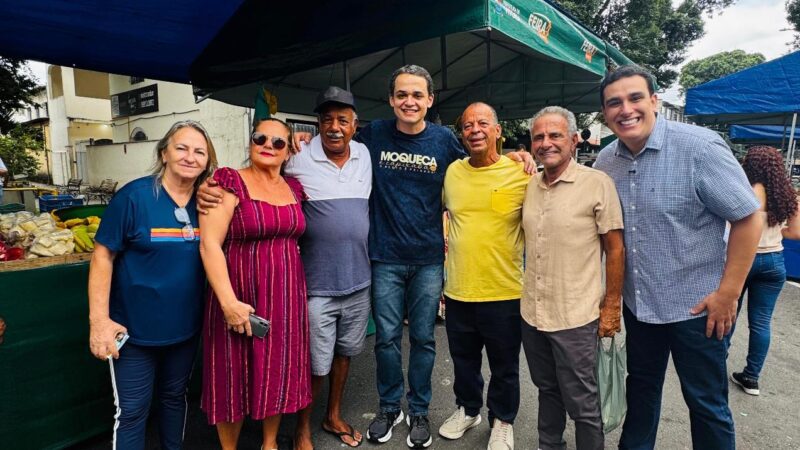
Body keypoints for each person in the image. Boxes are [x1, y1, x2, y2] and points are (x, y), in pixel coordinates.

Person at [593, 65, 762, 449]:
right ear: (606, 113)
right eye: (614, 103)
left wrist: (729, 293)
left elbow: (748, 218)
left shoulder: (699, 148)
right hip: (640, 307)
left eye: (635, 98)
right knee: (641, 394)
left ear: (654, 100)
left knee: (706, 403)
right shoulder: (606, 162)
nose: (626, 109)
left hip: (698, 309)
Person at [88, 120, 217, 450]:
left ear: (208, 160)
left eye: (199, 151)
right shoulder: (134, 197)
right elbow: (102, 256)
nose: (190, 157)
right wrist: (99, 321)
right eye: (182, 148)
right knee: (132, 411)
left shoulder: (207, 204)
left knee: (175, 398)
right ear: (164, 154)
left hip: (184, 330)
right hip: (133, 333)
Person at [199, 118, 311, 450]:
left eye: (279, 142)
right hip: (238, 295)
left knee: (277, 368)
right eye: (260, 137)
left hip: (286, 295)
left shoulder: (294, 187)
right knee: (232, 374)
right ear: (250, 141)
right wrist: (228, 303)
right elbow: (209, 245)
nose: (268, 145)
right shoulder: (229, 182)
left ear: (289, 150)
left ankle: (270, 442)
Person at [521, 106, 624, 450]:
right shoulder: (531, 184)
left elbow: (616, 248)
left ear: (575, 140)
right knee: (547, 389)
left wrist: (612, 305)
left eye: (555, 135)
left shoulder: (597, 184)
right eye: (539, 137)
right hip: (533, 314)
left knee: (583, 403)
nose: (546, 143)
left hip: (575, 317)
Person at [438, 102, 530, 450]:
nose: (474, 130)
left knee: (505, 364)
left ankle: (503, 420)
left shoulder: (521, 173)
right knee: (464, 360)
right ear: (461, 134)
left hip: (505, 290)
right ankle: (468, 409)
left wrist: (525, 156)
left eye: (482, 123)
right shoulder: (453, 173)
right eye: (467, 125)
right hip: (459, 289)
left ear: (497, 130)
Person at [289, 87, 371, 449]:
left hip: (359, 280)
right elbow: (258, 171)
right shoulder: (298, 158)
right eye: (326, 120)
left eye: (342, 120)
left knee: (345, 355)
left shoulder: (365, 155)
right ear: (317, 124)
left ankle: (332, 415)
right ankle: (301, 427)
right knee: (314, 364)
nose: (334, 127)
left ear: (355, 125)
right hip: (317, 285)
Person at [730, 145, 800, 396]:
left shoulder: (745, 192)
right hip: (774, 262)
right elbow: (795, 232)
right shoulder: (789, 195)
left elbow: (731, 225)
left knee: (730, 313)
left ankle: (715, 368)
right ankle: (751, 378)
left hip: (743, 260)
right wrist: (775, 232)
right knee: (761, 322)